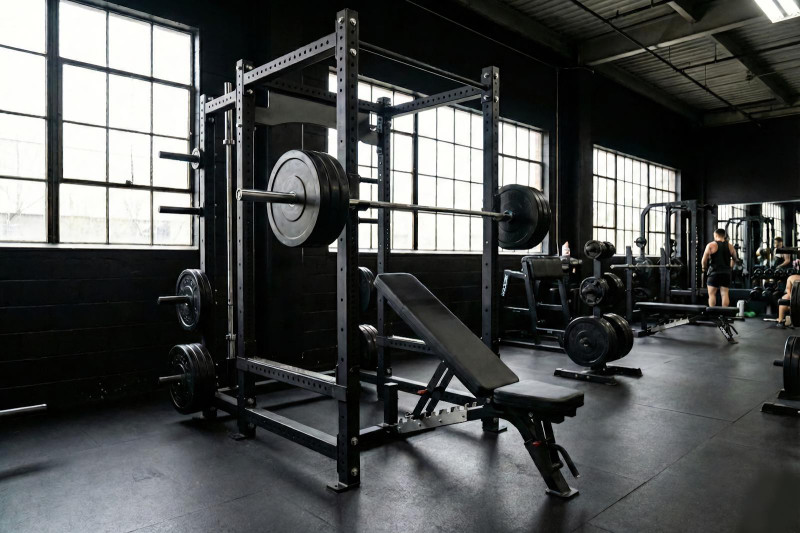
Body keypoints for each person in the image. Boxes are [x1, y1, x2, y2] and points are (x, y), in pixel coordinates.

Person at [702, 228, 737, 307]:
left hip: (714, 273)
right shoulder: (730, 246)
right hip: (726, 273)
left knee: (712, 295)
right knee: (724, 294)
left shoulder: (711, 245)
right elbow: (735, 259)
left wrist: (704, 269)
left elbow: (704, 260)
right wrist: (730, 267)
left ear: (716, 235)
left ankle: (713, 314)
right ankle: (724, 314)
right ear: (724, 236)